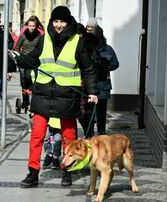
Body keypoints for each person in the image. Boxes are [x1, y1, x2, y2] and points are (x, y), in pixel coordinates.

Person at [15, 6, 99, 188]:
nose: (59, 25)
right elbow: (32, 60)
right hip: (43, 95)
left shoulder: (78, 42)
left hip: (67, 97)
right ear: (51, 22)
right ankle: (33, 173)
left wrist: (92, 92)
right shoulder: (43, 39)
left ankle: (67, 172)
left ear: (68, 23)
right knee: (37, 136)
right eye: (56, 21)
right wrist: (18, 58)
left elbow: (89, 68)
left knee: (69, 137)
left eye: (62, 21)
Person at [86, 18, 119, 135]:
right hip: (88, 85)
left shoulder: (107, 49)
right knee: (88, 112)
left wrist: (105, 67)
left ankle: (101, 133)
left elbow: (115, 64)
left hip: (103, 85)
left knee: (101, 112)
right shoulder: (85, 48)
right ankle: (89, 134)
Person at [15, 16, 41, 113]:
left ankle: (34, 103)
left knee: (34, 83)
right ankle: (25, 101)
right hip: (24, 62)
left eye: (33, 26)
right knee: (24, 82)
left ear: (36, 26)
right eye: (30, 26)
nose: (31, 28)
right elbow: (17, 48)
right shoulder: (23, 36)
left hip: (35, 62)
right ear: (27, 26)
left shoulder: (39, 36)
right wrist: (19, 56)